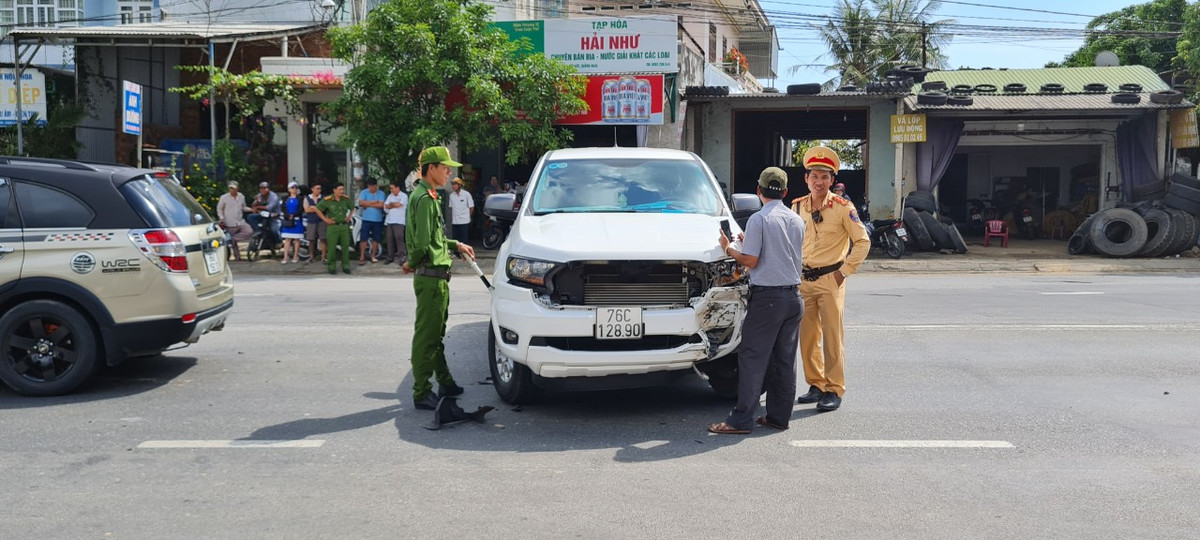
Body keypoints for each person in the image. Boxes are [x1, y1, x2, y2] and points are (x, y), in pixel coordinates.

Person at [707, 167, 805, 435]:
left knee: (753, 358)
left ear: (759, 191)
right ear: (785, 192)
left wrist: (729, 247)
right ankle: (778, 417)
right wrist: (747, 241)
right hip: (793, 299)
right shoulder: (797, 220)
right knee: (785, 360)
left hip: (768, 300)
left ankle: (740, 421)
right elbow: (781, 251)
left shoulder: (759, 220)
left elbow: (751, 261)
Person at [790, 146, 870, 412]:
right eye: (814, 176)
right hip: (803, 280)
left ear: (832, 180)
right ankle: (816, 384)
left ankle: (834, 389)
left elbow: (862, 242)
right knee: (808, 336)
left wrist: (842, 273)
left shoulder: (843, 207)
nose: (819, 181)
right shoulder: (797, 207)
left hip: (830, 279)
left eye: (825, 176)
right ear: (806, 178)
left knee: (833, 337)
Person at [402, 146, 475, 410]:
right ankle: (422, 391)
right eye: (444, 167)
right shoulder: (423, 198)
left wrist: (456, 244)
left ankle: (445, 381)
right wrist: (411, 263)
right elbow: (422, 244)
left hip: (437, 277)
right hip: (430, 277)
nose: (448, 172)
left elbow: (434, 238)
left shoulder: (428, 195)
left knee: (436, 334)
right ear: (430, 168)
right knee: (426, 336)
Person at [315, 183, 356, 275]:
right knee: (332, 247)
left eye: (342, 189)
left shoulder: (345, 199)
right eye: (340, 189)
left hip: (344, 226)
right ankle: (331, 266)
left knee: (345, 247)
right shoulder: (328, 200)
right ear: (334, 190)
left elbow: (353, 207)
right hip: (333, 227)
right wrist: (325, 219)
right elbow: (317, 209)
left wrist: (349, 216)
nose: (342, 191)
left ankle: (345, 266)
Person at [216, 182, 252, 261]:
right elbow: (219, 208)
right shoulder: (224, 197)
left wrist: (251, 210)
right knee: (233, 244)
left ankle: (233, 239)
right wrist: (221, 218)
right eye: (230, 188)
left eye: (234, 188)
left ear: (237, 189)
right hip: (229, 222)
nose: (232, 190)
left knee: (248, 231)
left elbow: (243, 207)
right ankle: (237, 257)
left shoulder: (241, 196)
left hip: (240, 221)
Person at [357, 177, 387, 264]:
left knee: (376, 238)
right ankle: (362, 255)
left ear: (376, 186)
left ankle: (373, 256)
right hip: (366, 219)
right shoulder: (364, 192)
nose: (371, 188)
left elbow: (381, 205)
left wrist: (368, 204)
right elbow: (361, 203)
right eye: (369, 186)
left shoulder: (381, 193)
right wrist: (374, 202)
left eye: (373, 186)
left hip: (377, 220)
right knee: (363, 238)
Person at [447, 177, 474, 257]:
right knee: (456, 238)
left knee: (464, 239)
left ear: (459, 185)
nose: (453, 186)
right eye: (452, 184)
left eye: (454, 184)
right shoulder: (452, 196)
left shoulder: (466, 194)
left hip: (464, 221)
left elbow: (471, 207)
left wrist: (468, 216)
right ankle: (456, 253)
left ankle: (464, 254)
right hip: (455, 221)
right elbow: (451, 207)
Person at [279, 181, 305, 264]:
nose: (294, 189)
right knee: (287, 239)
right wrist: (287, 215)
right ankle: (285, 256)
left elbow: (301, 208)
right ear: (289, 189)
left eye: (296, 188)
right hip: (288, 220)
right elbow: (283, 208)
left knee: (297, 239)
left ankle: (295, 256)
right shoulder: (285, 198)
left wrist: (294, 215)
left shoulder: (300, 198)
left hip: (297, 220)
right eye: (292, 188)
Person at [383, 180, 408, 265]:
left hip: (399, 221)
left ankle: (402, 257)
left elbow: (399, 205)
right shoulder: (390, 196)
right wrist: (392, 205)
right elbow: (385, 207)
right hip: (390, 221)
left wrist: (391, 205)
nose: (391, 190)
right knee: (389, 239)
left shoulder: (404, 196)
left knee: (399, 238)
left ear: (398, 188)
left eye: (392, 188)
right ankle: (390, 257)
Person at [303, 183, 326, 263]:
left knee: (323, 239)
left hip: (321, 221)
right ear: (312, 189)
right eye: (317, 188)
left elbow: (324, 209)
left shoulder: (323, 198)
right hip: (311, 221)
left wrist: (313, 208)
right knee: (311, 239)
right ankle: (311, 256)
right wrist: (317, 209)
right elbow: (307, 210)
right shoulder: (307, 198)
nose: (319, 190)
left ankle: (323, 257)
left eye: (320, 188)